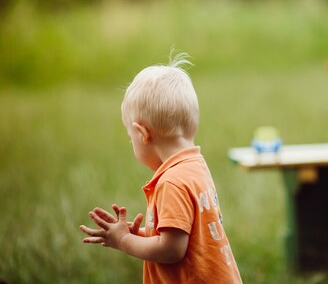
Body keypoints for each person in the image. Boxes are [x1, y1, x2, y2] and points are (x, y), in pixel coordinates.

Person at [80, 54, 242, 284]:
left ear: (143, 134)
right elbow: (184, 234)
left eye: (130, 138)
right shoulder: (195, 166)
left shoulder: (171, 182)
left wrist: (124, 241)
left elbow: (171, 249)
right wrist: (140, 235)